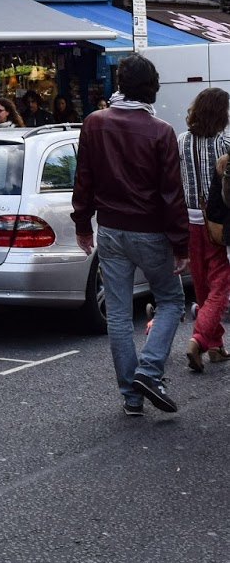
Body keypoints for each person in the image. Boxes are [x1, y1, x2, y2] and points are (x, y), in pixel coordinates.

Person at [72, 52, 188, 416]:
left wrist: (81, 223)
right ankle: (149, 370)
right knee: (171, 300)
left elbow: (84, 178)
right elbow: (171, 194)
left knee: (119, 314)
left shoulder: (94, 122)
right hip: (151, 231)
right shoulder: (161, 131)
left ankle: (131, 397)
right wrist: (181, 244)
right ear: (149, 89)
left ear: (121, 86)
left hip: (110, 230)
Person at [176, 86, 230, 372]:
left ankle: (216, 346)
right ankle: (198, 339)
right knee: (221, 285)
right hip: (217, 223)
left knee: (202, 286)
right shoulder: (226, 142)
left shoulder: (182, 140)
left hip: (189, 220)